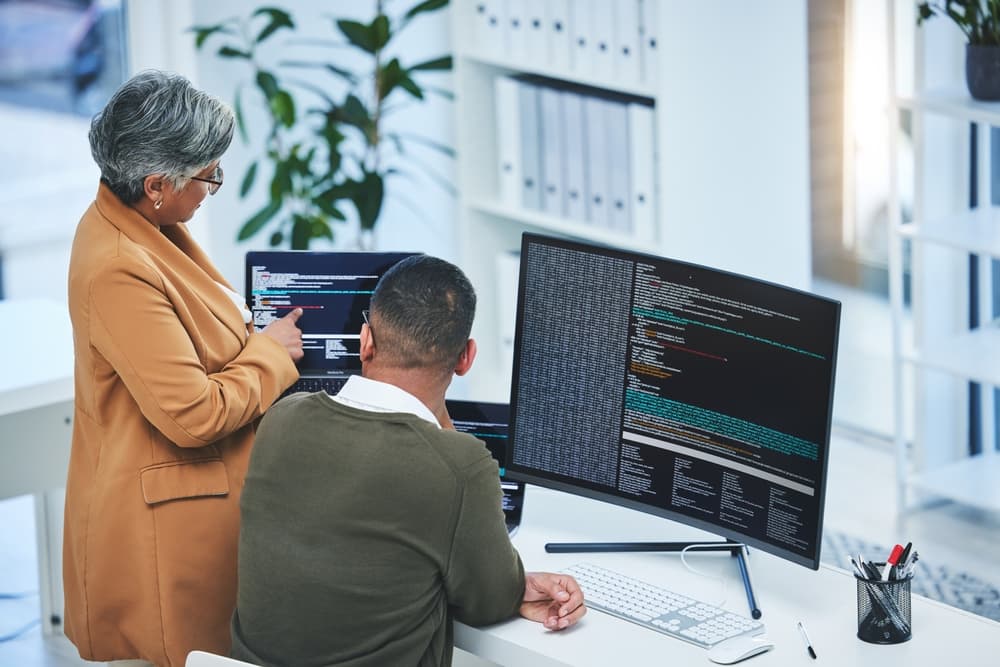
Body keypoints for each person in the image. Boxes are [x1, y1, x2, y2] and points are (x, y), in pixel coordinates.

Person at [230, 255, 586, 666]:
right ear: (466, 358)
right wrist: (510, 585)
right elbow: (486, 603)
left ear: (365, 340)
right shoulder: (457, 467)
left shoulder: (281, 418)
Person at [64, 70, 305, 667]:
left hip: (198, 506)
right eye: (209, 176)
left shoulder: (144, 223)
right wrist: (272, 353)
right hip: (165, 530)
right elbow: (193, 415)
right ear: (154, 185)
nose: (214, 187)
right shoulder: (118, 267)